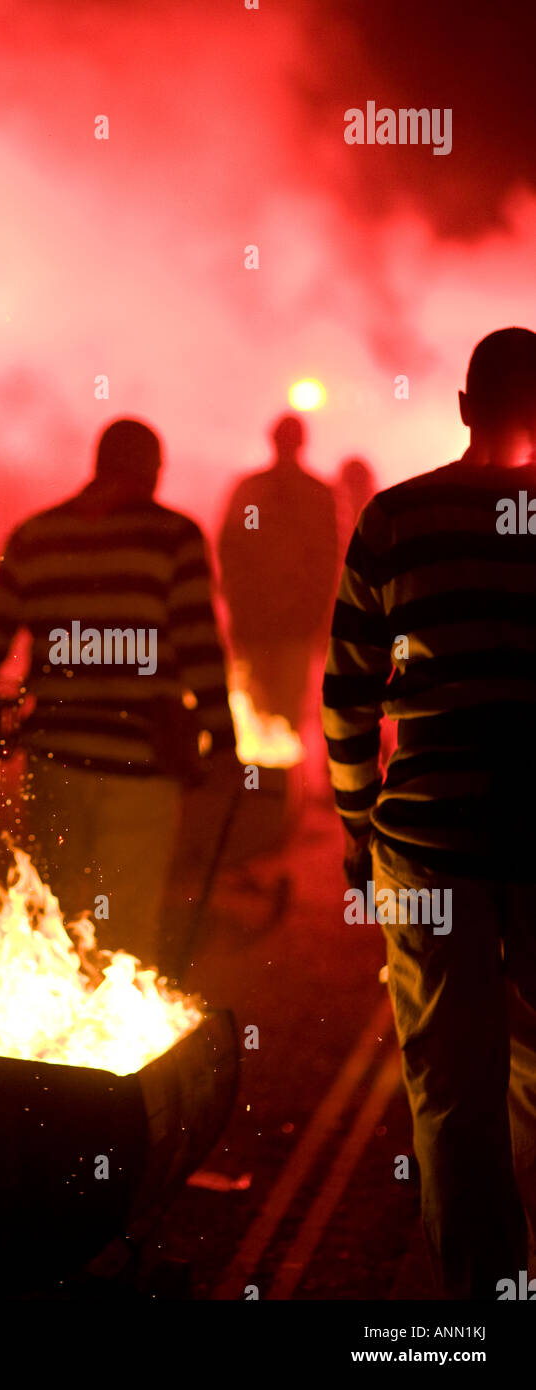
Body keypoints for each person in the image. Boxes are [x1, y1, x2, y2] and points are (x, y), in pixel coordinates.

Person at [322, 327, 536, 1300]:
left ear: (460, 406)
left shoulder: (392, 518)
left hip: (426, 846)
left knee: (451, 1093)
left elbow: (348, 697)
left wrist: (355, 827)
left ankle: (484, 1305)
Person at [0, 418, 236, 967]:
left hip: (54, 761)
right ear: (151, 469)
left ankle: (47, 1041)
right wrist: (224, 746)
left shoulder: (37, 535)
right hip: (140, 769)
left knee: (50, 911)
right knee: (121, 927)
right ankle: (108, 1045)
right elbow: (200, 648)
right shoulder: (174, 537)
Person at [218, 414, 338, 731]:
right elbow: (327, 562)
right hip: (284, 625)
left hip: (268, 624)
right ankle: (279, 778)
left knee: (260, 715)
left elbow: (230, 552)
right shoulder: (316, 494)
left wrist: (240, 605)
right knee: (282, 717)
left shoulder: (253, 490)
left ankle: (261, 779)